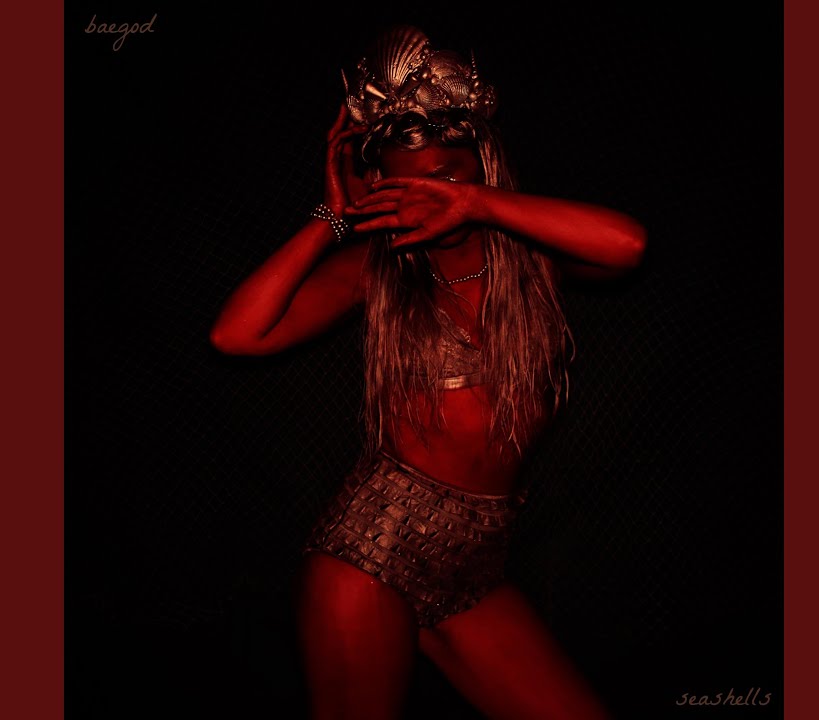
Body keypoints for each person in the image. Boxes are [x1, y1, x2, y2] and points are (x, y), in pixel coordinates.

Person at [210, 25, 645, 720]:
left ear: (482, 166)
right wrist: (334, 217)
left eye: (447, 177)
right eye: (410, 184)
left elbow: (627, 245)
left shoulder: (535, 260)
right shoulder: (376, 272)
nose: (432, 196)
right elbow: (236, 335)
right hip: (371, 554)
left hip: (475, 566)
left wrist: (476, 203)